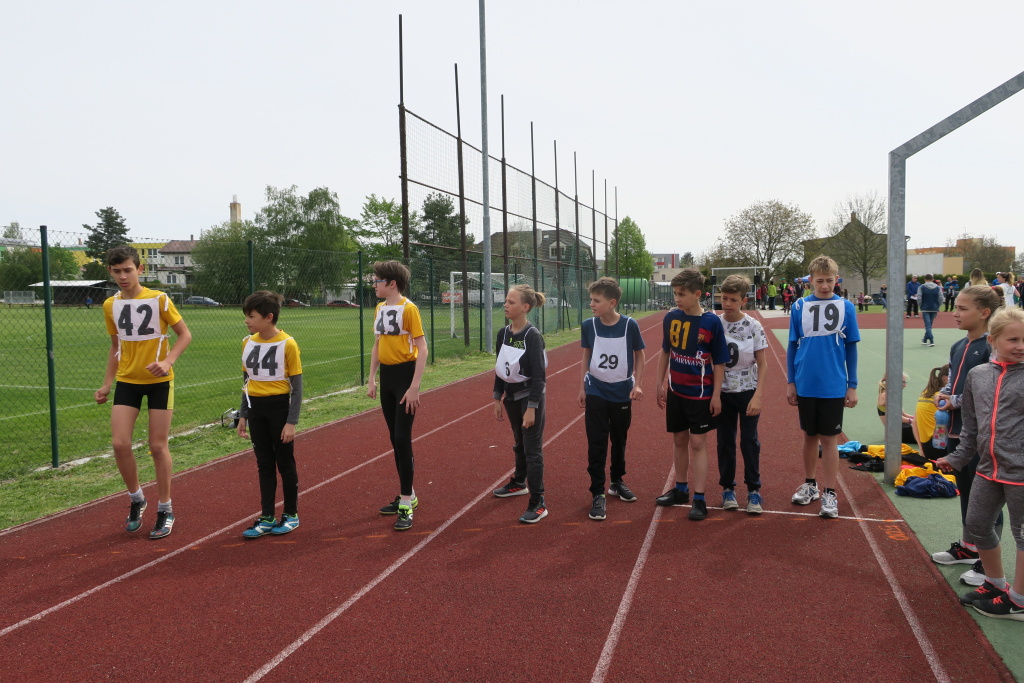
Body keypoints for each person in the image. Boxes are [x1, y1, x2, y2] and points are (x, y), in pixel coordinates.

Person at [94, 245, 192, 539]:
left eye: (128, 270)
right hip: (128, 381)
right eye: (117, 271)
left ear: (139, 269)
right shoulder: (110, 305)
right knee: (119, 443)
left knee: (157, 446)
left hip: (160, 382)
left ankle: (165, 508)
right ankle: (137, 499)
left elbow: (184, 334)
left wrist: (167, 361)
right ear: (110, 272)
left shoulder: (159, 299)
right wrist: (107, 383)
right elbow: (116, 346)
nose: (123, 276)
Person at [937, 307, 1024, 620]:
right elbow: (971, 426)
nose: (1021, 346)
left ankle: (1019, 600)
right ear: (993, 340)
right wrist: (958, 456)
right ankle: (995, 583)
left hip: (1021, 473)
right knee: (976, 523)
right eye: (1013, 339)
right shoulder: (978, 375)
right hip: (988, 468)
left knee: (1022, 534)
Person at [930, 285, 1004, 584]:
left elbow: (989, 393)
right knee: (967, 491)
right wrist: (944, 394)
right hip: (957, 432)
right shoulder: (959, 345)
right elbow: (954, 382)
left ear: (984, 312)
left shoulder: (991, 348)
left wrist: (955, 401)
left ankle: (989, 564)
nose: (955, 313)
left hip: (980, 435)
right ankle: (970, 547)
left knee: (987, 499)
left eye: (962, 308)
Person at [787, 255, 860, 519]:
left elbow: (851, 348)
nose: (825, 285)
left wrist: (852, 385)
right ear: (810, 281)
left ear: (837, 279)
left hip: (833, 384)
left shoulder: (846, 307)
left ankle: (830, 492)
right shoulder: (799, 306)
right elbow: (792, 345)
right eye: (820, 281)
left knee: (829, 439)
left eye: (830, 280)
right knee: (809, 436)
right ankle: (810, 485)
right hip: (806, 383)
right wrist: (791, 381)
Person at [654, 268, 729, 521]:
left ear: (697, 294)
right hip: (676, 390)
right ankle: (681, 489)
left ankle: (699, 497)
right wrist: (659, 383)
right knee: (679, 440)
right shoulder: (671, 317)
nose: (677, 298)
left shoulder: (711, 322)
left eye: (682, 294)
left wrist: (716, 395)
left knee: (698, 443)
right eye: (675, 293)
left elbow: (719, 361)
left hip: (700, 394)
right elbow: (666, 351)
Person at [236, 291, 303, 538]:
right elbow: (246, 382)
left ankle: (291, 514)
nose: (247, 321)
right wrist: (243, 415)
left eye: (251, 316)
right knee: (264, 464)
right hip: (256, 410)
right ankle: (266, 517)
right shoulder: (247, 342)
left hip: (279, 410)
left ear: (269, 317)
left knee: (284, 463)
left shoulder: (288, 344)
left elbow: (297, 388)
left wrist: (291, 422)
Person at [577, 277, 646, 521]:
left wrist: (638, 384)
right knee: (596, 443)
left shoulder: (629, 325)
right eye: (591, 299)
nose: (592, 304)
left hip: (621, 392)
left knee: (619, 439)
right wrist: (582, 387)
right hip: (596, 390)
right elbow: (586, 356)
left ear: (612, 302)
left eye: (596, 300)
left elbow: (640, 355)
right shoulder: (589, 326)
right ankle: (597, 492)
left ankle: (617, 481)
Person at [367, 260, 428, 531]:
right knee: (394, 438)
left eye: (377, 280)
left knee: (403, 438)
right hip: (388, 378)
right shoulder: (379, 308)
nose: (374, 284)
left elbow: (422, 348)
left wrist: (414, 387)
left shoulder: (409, 309)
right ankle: (408, 493)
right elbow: (377, 344)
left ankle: (406, 502)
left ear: (392, 283)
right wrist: (371, 378)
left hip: (405, 376)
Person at [493, 284, 549, 523]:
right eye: (506, 301)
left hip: (529, 397)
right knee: (519, 443)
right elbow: (500, 367)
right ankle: (518, 482)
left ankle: (538, 502)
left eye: (511, 302)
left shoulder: (532, 336)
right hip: (511, 397)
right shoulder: (503, 333)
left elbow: (540, 377)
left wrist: (532, 407)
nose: (505, 305)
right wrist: (497, 397)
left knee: (532, 450)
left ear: (525, 307)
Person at [716, 275, 768, 514]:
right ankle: (728, 488)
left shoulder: (753, 325)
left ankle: (754, 490)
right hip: (723, 392)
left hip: (747, 391)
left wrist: (758, 396)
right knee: (725, 441)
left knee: (749, 441)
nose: (727, 303)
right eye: (724, 298)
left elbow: (763, 364)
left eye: (733, 300)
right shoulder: (715, 323)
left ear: (744, 301)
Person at [912, 364, 950, 461]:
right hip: (941, 444)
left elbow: (914, 422)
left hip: (926, 446)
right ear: (946, 379)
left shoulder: (924, 394)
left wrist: (921, 447)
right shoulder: (942, 398)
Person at [876, 373, 916, 445]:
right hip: (897, 432)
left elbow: (903, 414)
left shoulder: (890, 394)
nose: (905, 385)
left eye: (905, 382)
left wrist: (915, 418)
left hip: (897, 430)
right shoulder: (887, 395)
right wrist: (913, 421)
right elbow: (897, 418)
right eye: (903, 382)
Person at [919, 273, 942, 347]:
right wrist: (938, 306)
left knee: (928, 325)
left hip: (925, 308)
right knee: (929, 325)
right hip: (934, 308)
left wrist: (920, 305)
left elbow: (919, 298)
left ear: (925, 279)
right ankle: (925, 339)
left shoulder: (921, 287)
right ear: (932, 279)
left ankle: (931, 340)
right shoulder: (938, 287)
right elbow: (941, 298)